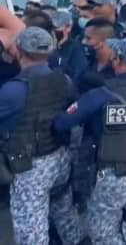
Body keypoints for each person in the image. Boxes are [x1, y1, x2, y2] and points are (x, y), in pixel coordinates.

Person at [53, 37, 126, 244]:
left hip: (111, 176)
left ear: (116, 60)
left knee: (103, 233)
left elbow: (62, 122)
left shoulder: (99, 95)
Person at [0, 27, 85, 244]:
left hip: (30, 167)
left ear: (18, 51)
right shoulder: (64, 80)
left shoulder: (13, 90)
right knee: (64, 213)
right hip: (60, 157)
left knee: (31, 227)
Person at [78, 18, 116, 93]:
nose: (83, 42)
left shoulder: (118, 67)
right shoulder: (86, 62)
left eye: (88, 38)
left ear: (105, 41)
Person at [48, 11, 88, 82]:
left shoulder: (76, 48)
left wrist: (55, 54)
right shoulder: (46, 44)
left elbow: (75, 74)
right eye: (51, 27)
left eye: (56, 28)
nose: (53, 31)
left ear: (68, 27)